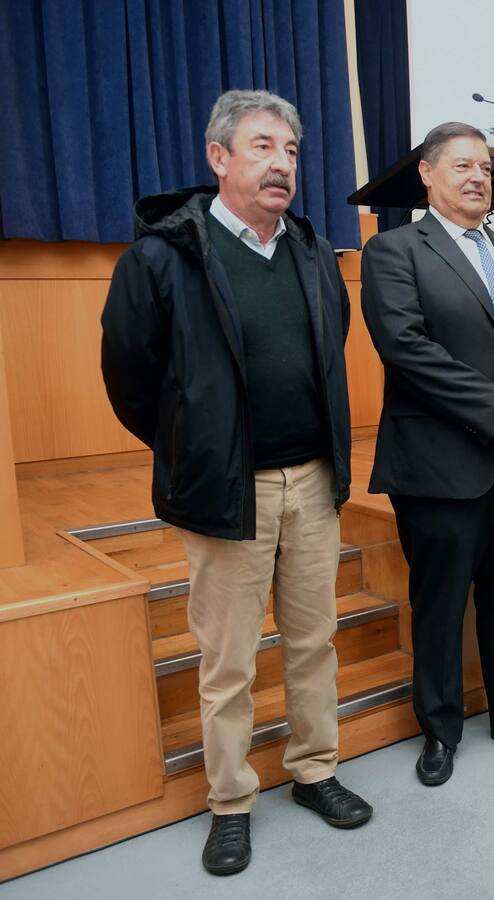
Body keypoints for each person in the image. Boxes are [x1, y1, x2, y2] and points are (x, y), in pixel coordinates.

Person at [100, 90, 372, 877]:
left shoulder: (315, 253)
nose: (281, 162)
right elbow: (130, 375)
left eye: (289, 149)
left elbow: (330, 349)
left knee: (314, 639)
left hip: (313, 482)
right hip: (229, 492)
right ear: (218, 158)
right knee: (228, 660)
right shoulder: (164, 257)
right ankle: (231, 801)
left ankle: (315, 769)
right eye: (261, 147)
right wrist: (193, 446)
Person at [360, 122, 494, 785]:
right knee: (441, 605)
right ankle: (441, 729)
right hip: (438, 464)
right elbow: (406, 346)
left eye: (485, 168)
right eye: (463, 166)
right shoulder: (394, 251)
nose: (479, 177)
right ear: (427, 174)